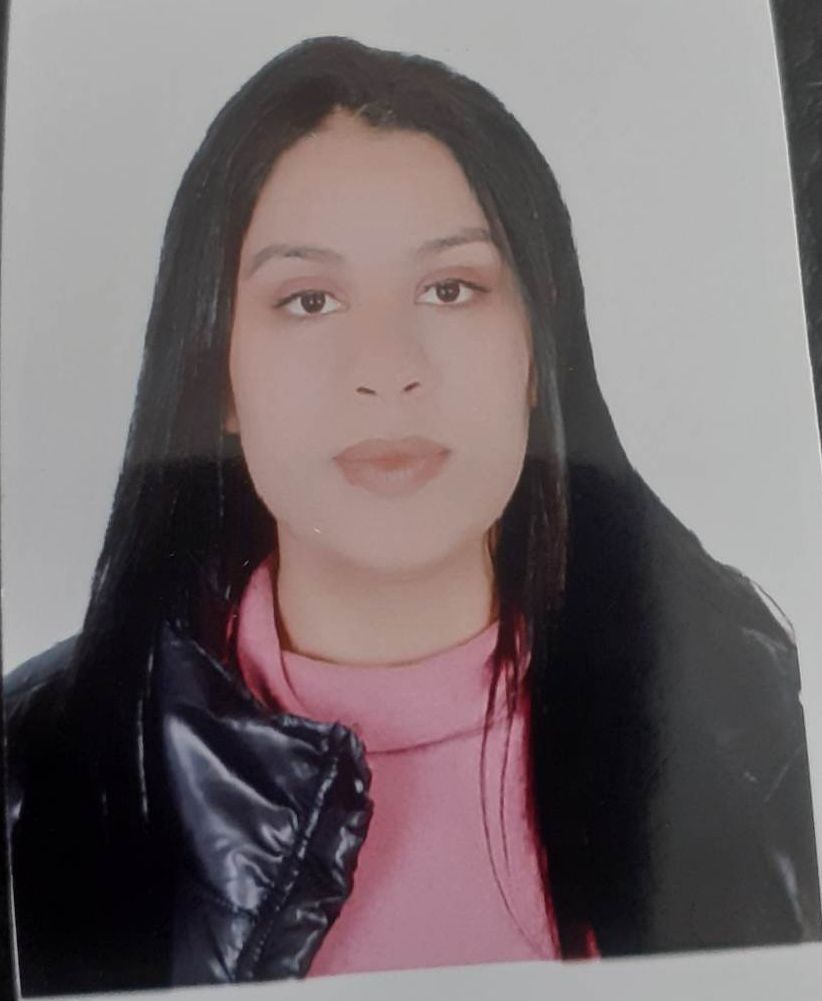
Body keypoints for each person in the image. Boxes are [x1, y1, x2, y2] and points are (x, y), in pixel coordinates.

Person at [4, 35, 821, 997]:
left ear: (538, 348)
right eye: (309, 299)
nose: (387, 367)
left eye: (449, 289)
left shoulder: (730, 705)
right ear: (217, 371)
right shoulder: (42, 767)